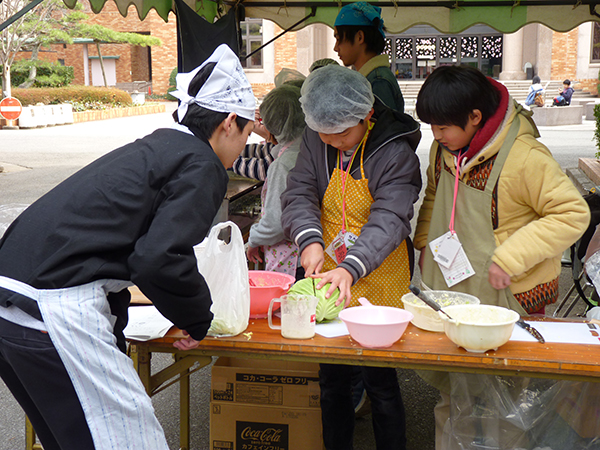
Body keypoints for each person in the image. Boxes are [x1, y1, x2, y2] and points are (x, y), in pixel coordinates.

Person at [0, 44, 255, 450]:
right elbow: (158, 258)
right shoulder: (202, 163)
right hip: (53, 307)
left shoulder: (157, 147)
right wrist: (198, 318)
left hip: (12, 299)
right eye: (247, 131)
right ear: (228, 123)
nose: (244, 145)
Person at [413, 65, 590, 449]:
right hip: (452, 287)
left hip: (508, 294)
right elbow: (433, 194)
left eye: (443, 127)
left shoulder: (525, 156)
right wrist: (424, 239)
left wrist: (509, 258)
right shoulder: (446, 148)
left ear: (475, 117)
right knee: (451, 393)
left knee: (507, 400)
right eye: (432, 127)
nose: (436, 136)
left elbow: (573, 213)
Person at [281, 64, 421, 450]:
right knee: (332, 379)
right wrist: (308, 240)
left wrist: (352, 266)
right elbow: (300, 192)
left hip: (378, 269)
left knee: (380, 383)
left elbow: (390, 217)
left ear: (366, 114)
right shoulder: (318, 137)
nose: (331, 140)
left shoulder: (394, 150)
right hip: (326, 267)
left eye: (341, 133)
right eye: (322, 133)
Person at [246, 84, 306, 277]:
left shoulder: (283, 164)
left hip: (292, 259)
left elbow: (275, 224)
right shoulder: (308, 150)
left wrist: (252, 240)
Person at [333, 1, 405, 112]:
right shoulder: (370, 78)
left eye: (338, 39)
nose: (335, 48)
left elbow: (383, 128)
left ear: (359, 37)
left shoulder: (378, 81)